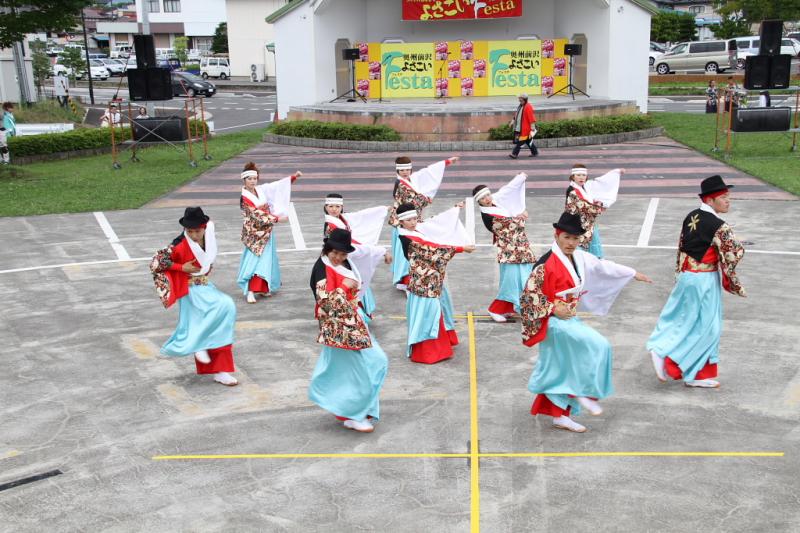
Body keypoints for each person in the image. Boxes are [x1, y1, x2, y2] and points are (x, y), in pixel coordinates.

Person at [520, 212, 652, 433]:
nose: (571, 243)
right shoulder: (545, 264)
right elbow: (527, 298)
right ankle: (582, 392)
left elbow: (602, 266)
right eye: (567, 237)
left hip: (569, 320)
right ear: (556, 235)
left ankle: (561, 414)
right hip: (553, 324)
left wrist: (631, 273)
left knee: (564, 367)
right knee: (597, 346)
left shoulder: (579, 257)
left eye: (575, 238)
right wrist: (552, 308)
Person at [647, 175, 745, 388]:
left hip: (688, 275)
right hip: (703, 279)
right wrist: (737, 246)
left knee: (686, 319)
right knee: (704, 326)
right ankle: (663, 352)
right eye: (724, 197)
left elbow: (682, 246)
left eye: (728, 197)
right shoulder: (719, 225)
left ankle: (695, 374)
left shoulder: (692, 216)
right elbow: (733, 253)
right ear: (710, 200)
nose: (728, 201)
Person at [308, 228, 388, 433]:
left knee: (377, 362)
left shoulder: (345, 262)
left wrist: (383, 252)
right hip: (339, 329)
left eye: (343, 254)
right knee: (357, 372)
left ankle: (356, 410)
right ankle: (354, 415)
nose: (338, 257)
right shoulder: (321, 269)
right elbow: (326, 304)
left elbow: (365, 250)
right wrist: (344, 286)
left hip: (353, 323)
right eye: (335, 252)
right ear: (327, 249)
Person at [149, 207, 239, 386]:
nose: (193, 235)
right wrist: (181, 267)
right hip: (190, 290)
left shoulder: (209, 234)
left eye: (197, 231)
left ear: (204, 227)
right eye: (190, 231)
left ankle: (220, 370)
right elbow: (155, 262)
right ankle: (199, 343)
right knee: (224, 304)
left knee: (224, 318)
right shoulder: (179, 244)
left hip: (204, 285)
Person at [398, 203, 475, 364]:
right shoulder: (408, 238)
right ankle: (428, 352)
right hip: (423, 282)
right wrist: (459, 248)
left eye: (414, 218)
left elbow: (434, 222)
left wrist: (453, 209)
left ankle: (437, 347)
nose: (413, 222)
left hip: (429, 280)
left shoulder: (415, 230)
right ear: (401, 222)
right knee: (429, 314)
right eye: (409, 220)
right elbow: (432, 251)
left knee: (433, 312)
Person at [388, 155, 459, 291]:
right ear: (397, 170)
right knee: (407, 252)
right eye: (402, 170)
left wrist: (447, 162)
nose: (405, 172)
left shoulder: (410, 179)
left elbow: (428, 172)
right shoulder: (402, 185)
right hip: (403, 223)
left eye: (407, 169)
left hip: (407, 221)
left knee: (407, 252)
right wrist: (426, 199)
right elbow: (413, 203)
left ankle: (404, 279)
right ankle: (405, 280)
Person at [473, 174, 537, 323]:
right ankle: (496, 309)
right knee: (511, 282)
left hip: (520, 248)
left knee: (525, 278)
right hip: (509, 252)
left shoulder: (494, 201)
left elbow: (508, 189)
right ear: (479, 202)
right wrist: (521, 216)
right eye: (483, 198)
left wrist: (520, 177)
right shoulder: (488, 216)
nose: (487, 199)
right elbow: (511, 225)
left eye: (488, 195)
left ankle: (510, 308)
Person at [237, 161, 300, 303]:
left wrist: (293, 178)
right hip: (254, 234)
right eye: (249, 179)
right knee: (254, 261)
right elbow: (256, 215)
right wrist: (277, 218)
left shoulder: (260, 190)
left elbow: (276, 187)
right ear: (244, 180)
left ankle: (263, 288)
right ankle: (250, 291)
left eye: (254, 178)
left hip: (266, 231)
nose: (253, 181)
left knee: (266, 260)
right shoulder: (245, 197)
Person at [323, 193, 391, 320]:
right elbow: (351, 246)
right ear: (325, 207)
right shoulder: (332, 225)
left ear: (342, 207)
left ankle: (357, 314)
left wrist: (382, 210)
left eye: (337, 206)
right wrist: (379, 251)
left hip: (344, 258)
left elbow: (361, 215)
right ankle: (352, 316)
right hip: (339, 261)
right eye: (331, 206)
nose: (334, 209)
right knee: (349, 286)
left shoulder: (342, 218)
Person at [565, 164, 624, 258]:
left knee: (588, 247)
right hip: (577, 224)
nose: (581, 177)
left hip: (587, 223)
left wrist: (616, 173)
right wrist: (599, 207)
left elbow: (601, 183)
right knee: (580, 249)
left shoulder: (584, 187)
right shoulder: (572, 191)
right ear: (573, 177)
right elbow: (584, 206)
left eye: (583, 175)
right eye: (578, 175)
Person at [509, 93, 539, 159]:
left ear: (524, 99)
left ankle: (514, 154)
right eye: (519, 98)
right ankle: (535, 152)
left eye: (520, 98)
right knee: (528, 141)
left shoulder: (528, 106)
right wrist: (512, 122)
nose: (519, 99)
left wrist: (532, 127)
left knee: (520, 142)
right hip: (520, 128)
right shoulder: (520, 106)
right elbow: (516, 115)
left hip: (525, 129)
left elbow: (531, 117)